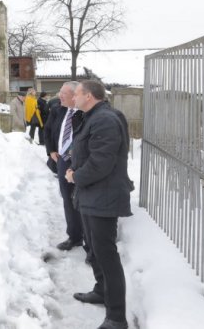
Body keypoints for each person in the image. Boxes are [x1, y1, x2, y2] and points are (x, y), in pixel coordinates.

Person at [66, 80, 132, 329]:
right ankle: (101, 291)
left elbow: (102, 162)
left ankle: (116, 317)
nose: (74, 98)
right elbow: (87, 153)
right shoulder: (92, 117)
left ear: (90, 96)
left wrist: (75, 176)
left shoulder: (104, 119)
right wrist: (75, 166)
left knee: (106, 254)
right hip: (92, 195)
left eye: (78, 94)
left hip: (103, 197)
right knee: (93, 249)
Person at [44, 81, 84, 251]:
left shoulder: (85, 113)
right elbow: (47, 131)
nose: (59, 96)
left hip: (81, 163)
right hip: (62, 161)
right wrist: (51, 150)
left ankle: (89, 239)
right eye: (60, 92)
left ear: (75, 96)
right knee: (68, 199)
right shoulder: (57, 110)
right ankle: (74, 237)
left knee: (83, 200)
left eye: (63, 93)